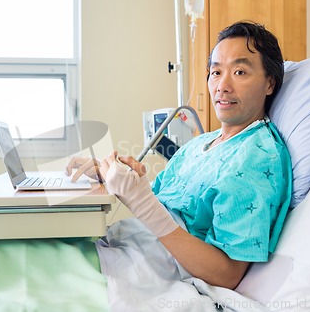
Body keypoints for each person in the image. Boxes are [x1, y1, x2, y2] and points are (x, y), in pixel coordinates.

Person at [66, 21, 292, 290]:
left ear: (269, 83)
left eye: (240, 71)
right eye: (216, 72)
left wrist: (141, 201)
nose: (222, 85)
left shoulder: (256, 157)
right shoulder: (202, 144)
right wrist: (112, 176)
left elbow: (228, 274)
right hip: (128, 246)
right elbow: (160, 204)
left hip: (152, 270)